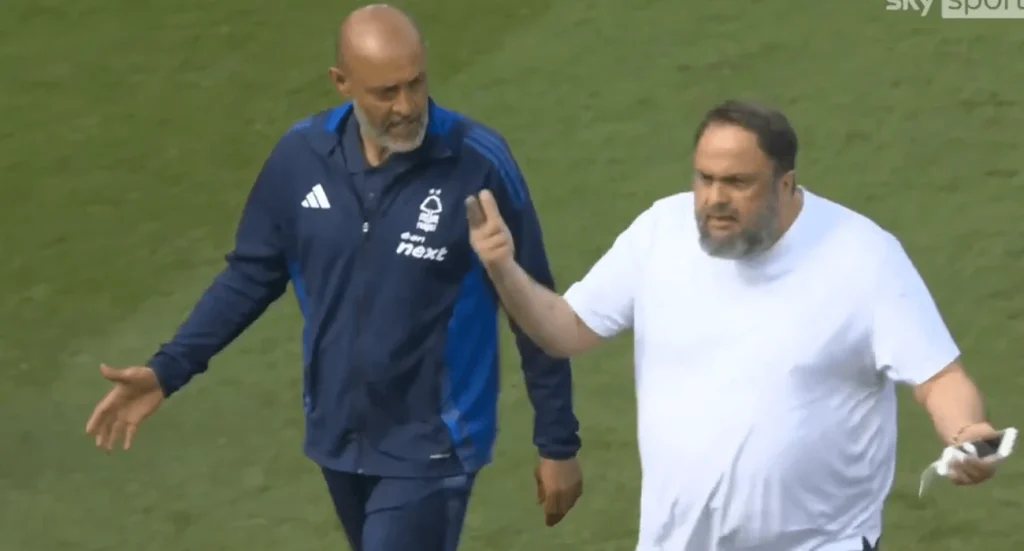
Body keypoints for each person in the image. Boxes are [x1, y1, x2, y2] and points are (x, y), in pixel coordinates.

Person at [85, 4, 583, 550]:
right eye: (386, 92)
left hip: (434, 444)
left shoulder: (477, 162)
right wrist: (167, 370)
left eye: (416, 84)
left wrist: (557, 442)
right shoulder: (301, 157)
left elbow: (536, 305)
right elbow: (250, 275)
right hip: (339, 438)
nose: (407, 106)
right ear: (341, 83)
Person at [465, 99, 1005, 550]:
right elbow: (564, 330)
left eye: (738, 182)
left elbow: (940, 377)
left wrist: (967, 433)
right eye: (705, 178)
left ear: (786, 183)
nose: (714, 200)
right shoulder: (660, 233)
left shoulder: (863, 257)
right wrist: (504, 269)